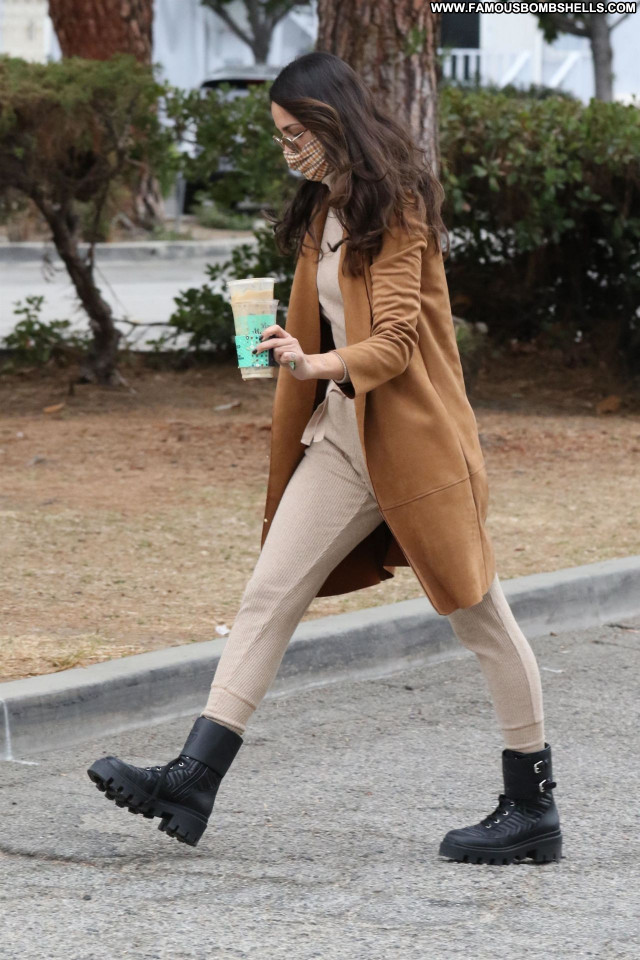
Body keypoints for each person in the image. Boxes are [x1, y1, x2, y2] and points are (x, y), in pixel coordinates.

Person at [87, 52, 562, 865]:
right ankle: (194, 778)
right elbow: (339, 321)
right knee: (269, 592)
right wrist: (291, 347)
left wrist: (317, 363)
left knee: (479, 613)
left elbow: (398, 341)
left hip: (413, 445)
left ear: (330, 121)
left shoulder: (397, 208)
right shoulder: (325, 208)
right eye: (279, 136)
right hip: (343, 437)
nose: (286, 150)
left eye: (293, 133)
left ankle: (533, 807)